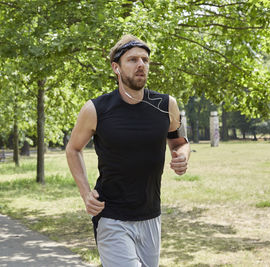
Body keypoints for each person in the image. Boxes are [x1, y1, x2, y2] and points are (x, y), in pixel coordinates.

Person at [66, 34, 190, 267]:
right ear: (116, 67)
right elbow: (73, 149)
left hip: (151, 214)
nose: (141, 64)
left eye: (145, 59)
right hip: (111, 215)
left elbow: (180, 142)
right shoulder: (96, 109)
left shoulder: (166, 105)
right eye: (132, 60)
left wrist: (183, 156)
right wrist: (85, 194)